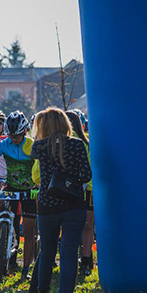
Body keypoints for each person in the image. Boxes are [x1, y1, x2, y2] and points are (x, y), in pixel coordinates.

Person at [26, 107, 91, 293]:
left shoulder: (39, 147)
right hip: (73, 204)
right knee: (69, 253)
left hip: (47, 205)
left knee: (46, 253)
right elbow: (86, 175)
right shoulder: (77, 145)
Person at [0, 111, 38, 279]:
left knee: (28, 229)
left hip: (29, 189)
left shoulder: (32, 146)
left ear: (24, 132)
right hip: (10, 186)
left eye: (17, 136)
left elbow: (40, 169)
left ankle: (25, 268)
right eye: (11, 135)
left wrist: (37, 186)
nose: (14, 139)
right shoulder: (4, 144)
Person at [67, 109, 94, 276]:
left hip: (71, 188)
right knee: (87, 226)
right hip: (88, 188)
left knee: (71, 225)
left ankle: (78, 260)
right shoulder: (88, 141)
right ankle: (86, 260)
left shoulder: (68, 141)